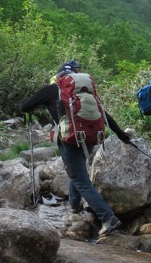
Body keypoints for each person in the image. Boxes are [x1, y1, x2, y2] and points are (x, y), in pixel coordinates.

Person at [19, 60, 133, 238]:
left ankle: (108, 217)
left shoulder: (51, 89)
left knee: (80, 179)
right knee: (77, 171)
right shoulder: (86, 93)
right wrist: (122, 136)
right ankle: (74, 204)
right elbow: (104, 115)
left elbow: (24, 107)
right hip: (89, 137)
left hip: (69, 140)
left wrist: (31, 103)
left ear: (58, 76)